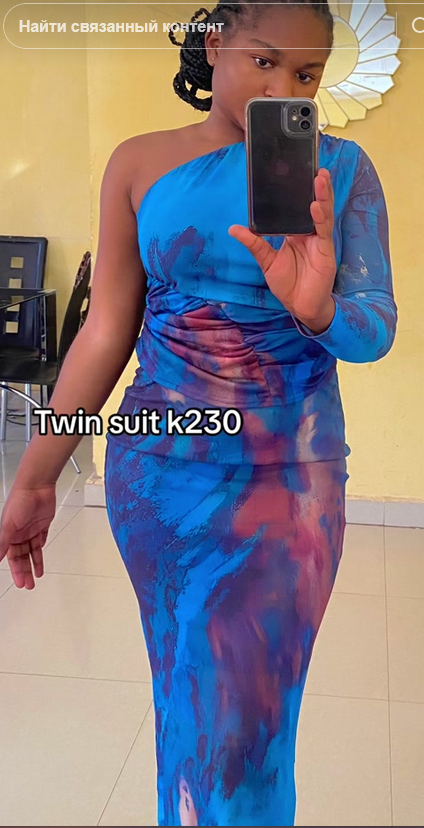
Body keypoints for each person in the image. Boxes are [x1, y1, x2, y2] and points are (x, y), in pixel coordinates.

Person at [0, 1, 397, 825]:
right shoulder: (137, 162)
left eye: (306, 74)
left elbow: (374, 332)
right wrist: (37, 477)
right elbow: (105, 331)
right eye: (265, 61)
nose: (283, 89)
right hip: (159, 476)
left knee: (251, 729)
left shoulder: (341, 170)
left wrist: (317, 308)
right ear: (215, 42)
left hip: (289, 487)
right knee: (186, 698)